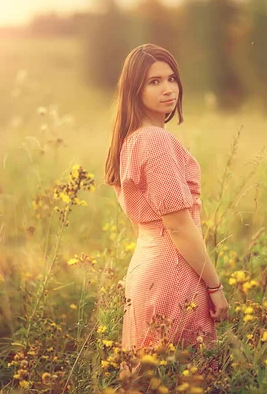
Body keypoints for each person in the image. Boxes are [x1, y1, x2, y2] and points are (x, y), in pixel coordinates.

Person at [104, 43, 229, 355]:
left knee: (145, 376)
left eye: (171, 78)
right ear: (135, 90)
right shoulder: (155, 141)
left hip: (145, 268)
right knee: (183, 376)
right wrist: (214, 286)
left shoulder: (130, 140)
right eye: (154, 81)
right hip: (174, 272)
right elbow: (178, 226)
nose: (168, 89)